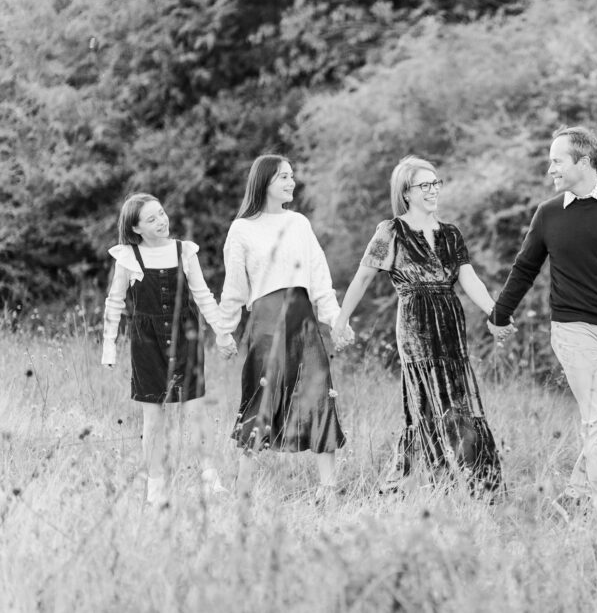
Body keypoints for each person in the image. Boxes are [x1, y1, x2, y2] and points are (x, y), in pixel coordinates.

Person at [488, 125, 597, 519]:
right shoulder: (548, 214)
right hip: (572, 329)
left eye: (556, 160)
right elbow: (524, 268)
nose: (550, 168)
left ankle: (575, 493)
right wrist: (500, 313)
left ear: (583, 162)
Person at [334, 155, 503, 496]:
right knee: (425, 403)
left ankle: (476, 484)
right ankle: (425, 483)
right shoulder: (390, 231)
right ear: (406, 192)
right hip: (415, 325)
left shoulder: (451, 234)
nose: (432, 190)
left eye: (435, 183)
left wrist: (496, 313)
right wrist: (342, 318)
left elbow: (470, 281)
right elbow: (364, 275)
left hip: (451, 324)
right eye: (424, 185)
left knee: (458, 402)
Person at [218, 154, 346, 500]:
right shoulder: (242, 229)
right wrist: (224, 330)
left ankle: (328, 488)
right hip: (266, 322)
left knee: (319, 394)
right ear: (264, 183)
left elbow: (319, 275)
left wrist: (335, 319)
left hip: (303, 321)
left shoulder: (299, 223)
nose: (291, 182)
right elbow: (235, 287)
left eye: (292, 176)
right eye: (283, 177)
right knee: (261, 397)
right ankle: (243, 488)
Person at [102, 193, 234, 505]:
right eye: (151, 219)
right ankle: (156, 487)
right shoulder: (128, 257)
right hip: (146, 344)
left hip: (185, 336)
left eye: (161, 214)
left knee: (196, 411)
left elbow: (203, 295)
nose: (161, 221)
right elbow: (114, 302)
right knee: (153, 418)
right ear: (136, 229)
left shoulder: (184, 251)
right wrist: (109, 347)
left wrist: (223, 334)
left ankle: (210, 479)